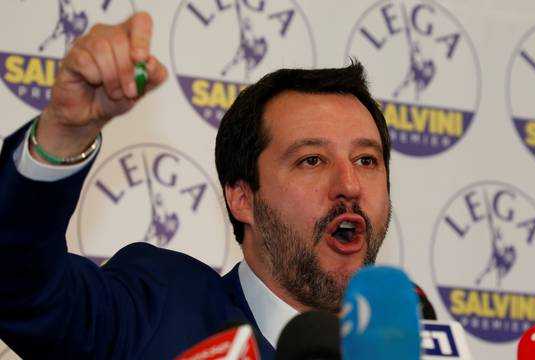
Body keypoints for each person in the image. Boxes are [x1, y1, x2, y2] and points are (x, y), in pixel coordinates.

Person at [0, 12, 392, 359]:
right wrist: (65, 133)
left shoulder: (413, 347)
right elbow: (19, 287)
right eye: (311, 160)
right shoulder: (158, 311)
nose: (350, 184)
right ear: (242, 198)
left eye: (366, 160)